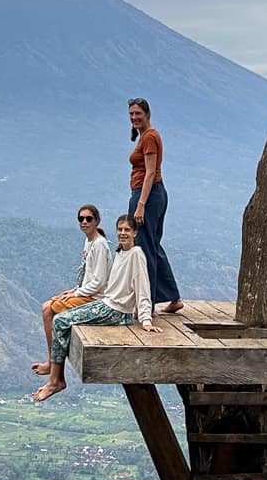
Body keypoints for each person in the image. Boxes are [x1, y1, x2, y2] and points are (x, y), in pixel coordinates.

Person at [33, 214, 161, 402]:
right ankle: (55, 374)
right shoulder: (121, 252)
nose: (123, 233)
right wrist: (78, 291)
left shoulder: (136, 254)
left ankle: (55, 381)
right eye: (120, 229)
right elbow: (113, 285)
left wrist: (145, 320)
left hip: (116, 312)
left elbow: (143, 288)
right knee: (62, 316)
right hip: (107, 304)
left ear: (135, 232)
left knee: (60, 321)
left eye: (127, 230)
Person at [31, 204, 112, 376]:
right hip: (86, 293)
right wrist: (74, 290)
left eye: (88, 219)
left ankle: (52, 364)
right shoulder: (89, 241)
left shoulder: (99, 245)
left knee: (48, 310)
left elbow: (99, 282)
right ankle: (51, 361)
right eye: (81, 219)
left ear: (96, 221)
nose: (84, 222)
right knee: (47, 306)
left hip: (95, 299)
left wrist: (76, 293)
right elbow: (87, 276)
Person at [127, 97, 183, 313]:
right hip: (153, 195)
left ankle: (147, 304)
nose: (134, 117)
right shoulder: (146, 136)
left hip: (147, 196)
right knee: (153, 245)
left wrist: (140, 204)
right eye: (131, 114)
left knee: (144, 247)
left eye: (137, 114)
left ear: (147, 114)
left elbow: (150, 172)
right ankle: (173, 297)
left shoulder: (150, 137)